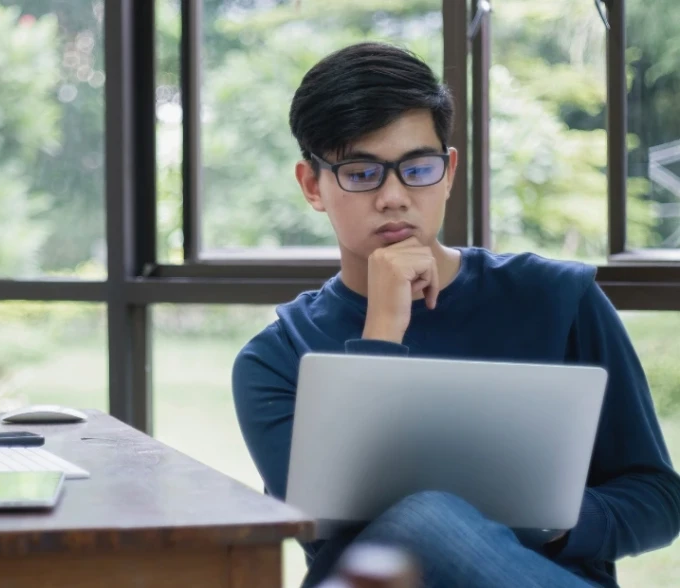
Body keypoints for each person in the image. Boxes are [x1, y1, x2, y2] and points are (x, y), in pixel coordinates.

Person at [231, 41, 680, 588]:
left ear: (448, 171)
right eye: (361, 172)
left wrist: (547, 522)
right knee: (421, 519)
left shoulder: (558, 298)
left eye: (417, 168)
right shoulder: (276, 359)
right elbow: (332, 533)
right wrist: (382, 332)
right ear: (312, 185)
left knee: (435, 516)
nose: (394, 197)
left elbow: (658, 498)